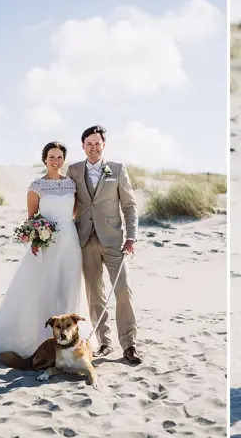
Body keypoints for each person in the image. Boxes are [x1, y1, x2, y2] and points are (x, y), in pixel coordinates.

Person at [0, 142, 93, 357]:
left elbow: (75, 213)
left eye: (59, 157)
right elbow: (31, 220)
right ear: (44, 159)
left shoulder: (71, 184)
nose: (55, 161)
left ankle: (71, 340)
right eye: (51, 157)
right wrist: (38, 237)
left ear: (63, 160)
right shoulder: (36, 186)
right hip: (47, 245)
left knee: (69, 285)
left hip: (70, 242)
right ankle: (42, 340)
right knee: (45, 289)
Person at [67, 125, 142, 365]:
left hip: (114, 242)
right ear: (82, 146)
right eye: (89, 144)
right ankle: (104, 342)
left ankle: (129, 345)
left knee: (123, 290)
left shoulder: (118, 170)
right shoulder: (74, 170)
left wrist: (131, 237)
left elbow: (129, 206)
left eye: (97, 144)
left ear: (104, 145)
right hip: (85, 240)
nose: (93, 148)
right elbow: (68, 202)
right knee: (94, 295)